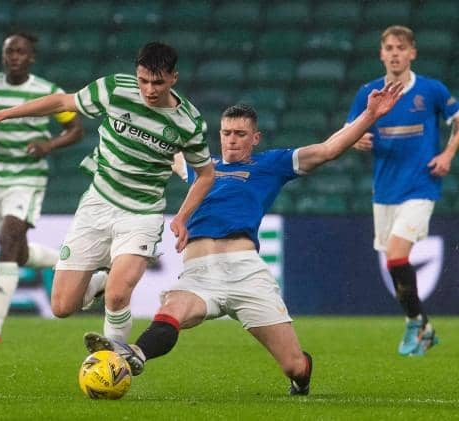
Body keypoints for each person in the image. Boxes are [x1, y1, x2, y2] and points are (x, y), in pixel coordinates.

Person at [83, 82, 403, 395]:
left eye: (240, 134)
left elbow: (328, 149)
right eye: (226, 133)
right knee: (172, 310)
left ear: (255, 137)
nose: (232, 140)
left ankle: (301, 379)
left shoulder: (270, 164)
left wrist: (370, 115)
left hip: (246, 273)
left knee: (294, 365)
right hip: (198, 274)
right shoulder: (202, 167)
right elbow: (155, 143)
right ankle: (133, 356)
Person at [0, 42, 215, 343]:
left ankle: (115, 360)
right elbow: (62, 103)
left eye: (158, 82)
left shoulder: (189, 123)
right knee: (61, 306)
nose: (149, 89)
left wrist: (181, 216)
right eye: (143, 80)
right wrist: (2, 115)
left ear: (173, 78)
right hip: (97, 204)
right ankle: (100, 280)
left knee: (117, 295)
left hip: (142, 213)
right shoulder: (114, 89)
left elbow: (205, 174)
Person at [0, 32, 94, 343]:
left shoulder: (46, 92)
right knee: (16, 253)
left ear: (31, 57)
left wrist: (49, 144)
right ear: (3, 55)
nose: (14, 57)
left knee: (9, 237)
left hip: (29, 176)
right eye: (9, 52)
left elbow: (75, 129)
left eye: (21, 52)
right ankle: (84, 268)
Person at [347, 26, 459, 356]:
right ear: (381, 54)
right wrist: (357, 139)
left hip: (421, 186)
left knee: (397, 256)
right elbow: (349, 132)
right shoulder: (368, 92)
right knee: (394, 265)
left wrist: (447, 154)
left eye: (401, 47)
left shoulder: (432, 90)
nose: (395, 53)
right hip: (384, 191)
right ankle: (423, 325)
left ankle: (415, 323)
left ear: (412, 53)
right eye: (389, 48)